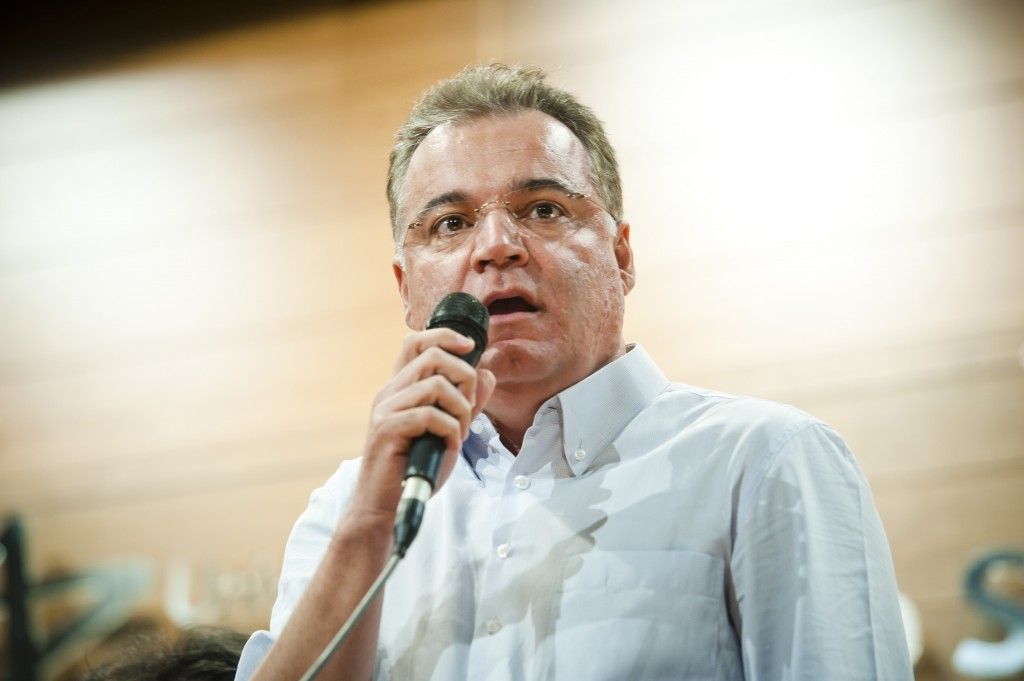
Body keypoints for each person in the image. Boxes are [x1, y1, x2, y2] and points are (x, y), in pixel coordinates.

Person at [234, 63, 913, 680]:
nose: (496, 246)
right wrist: (373, 520)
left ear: (622, 256)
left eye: (544, 209)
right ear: (406, 287)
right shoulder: (344, 511)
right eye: (449, 223)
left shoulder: (764, 461)